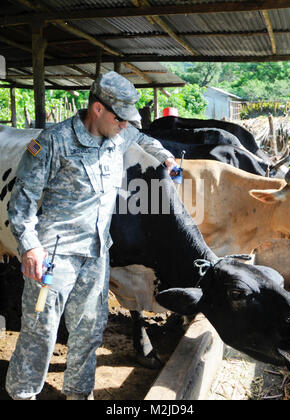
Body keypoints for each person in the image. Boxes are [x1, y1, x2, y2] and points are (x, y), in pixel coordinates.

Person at [5, 71, 177, 400]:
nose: (126, 124)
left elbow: (142, 139)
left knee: (88, 333)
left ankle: (79, 396)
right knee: (39, 334)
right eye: (120, 118)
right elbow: (21, 204)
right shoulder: (52, 143)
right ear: (98, 109)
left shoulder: (119, 135)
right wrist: (30, 248)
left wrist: (165, 156)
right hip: (54, 258)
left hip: (97, 256)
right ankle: (23, 395)